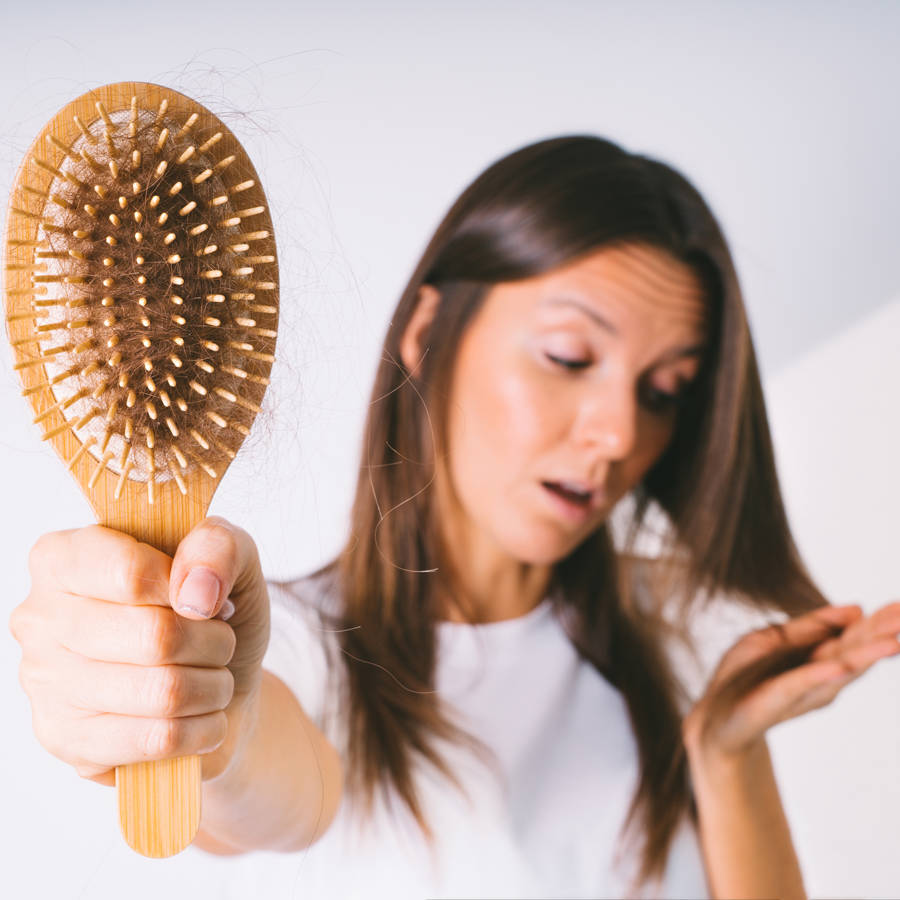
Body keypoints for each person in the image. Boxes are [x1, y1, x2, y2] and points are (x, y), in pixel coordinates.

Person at [10, 135, 900, 900]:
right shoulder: (293, 647)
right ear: (429, 332)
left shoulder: (678, 635)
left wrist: (726, 751)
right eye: (568, 355)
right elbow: (268, 781)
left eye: (664, 392)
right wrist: (215, 725)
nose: (621, 432)